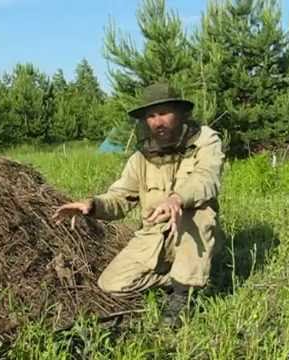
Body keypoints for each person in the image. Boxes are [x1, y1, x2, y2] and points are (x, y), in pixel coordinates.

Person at [53, 82, 225, 326]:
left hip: (192, 233)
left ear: (180, 113)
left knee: (198, 209)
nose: (157, 121)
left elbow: (206, 178)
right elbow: (120, 198)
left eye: (164, 113)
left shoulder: (206, 141)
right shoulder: (141, 158)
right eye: (151, 116)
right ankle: (176, 280)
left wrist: (177, 198)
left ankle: (184, 294)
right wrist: (92, 205)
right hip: (154, 238)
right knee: (111, 284)